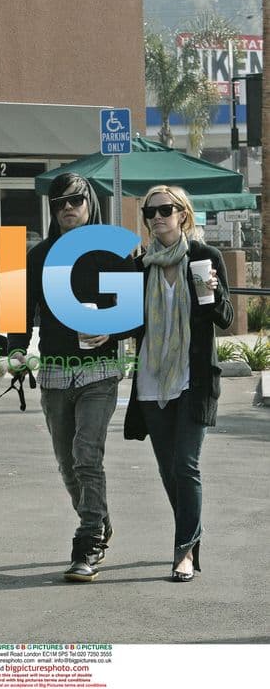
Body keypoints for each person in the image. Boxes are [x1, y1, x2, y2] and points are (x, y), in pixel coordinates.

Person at [7, 173, 135, 582]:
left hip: (100, 372)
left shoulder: (114, 252)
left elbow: (136, 314)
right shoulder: (36, 256)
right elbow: (17, 313)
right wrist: (13, 352)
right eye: (59, 202)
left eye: (75, 201)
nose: (67, 208)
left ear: (89, 203)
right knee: (67, 464)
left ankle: (88, 539)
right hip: (54, 374)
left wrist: (112, 330)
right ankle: (99, 518)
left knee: (86, 454)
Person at [124, 185, 233, 581]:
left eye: (165, 210)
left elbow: (224, 318)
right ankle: (190, 533)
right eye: (150, 212)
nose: (157, 218)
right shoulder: (140, 266)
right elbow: (131, 323)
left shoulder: (205, 258)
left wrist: (212, 293)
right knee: (168, 471)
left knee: (186, 465)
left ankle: (184, 550)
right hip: (152, 380)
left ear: (182, 214)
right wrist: (105, 331)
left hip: (193, 378)